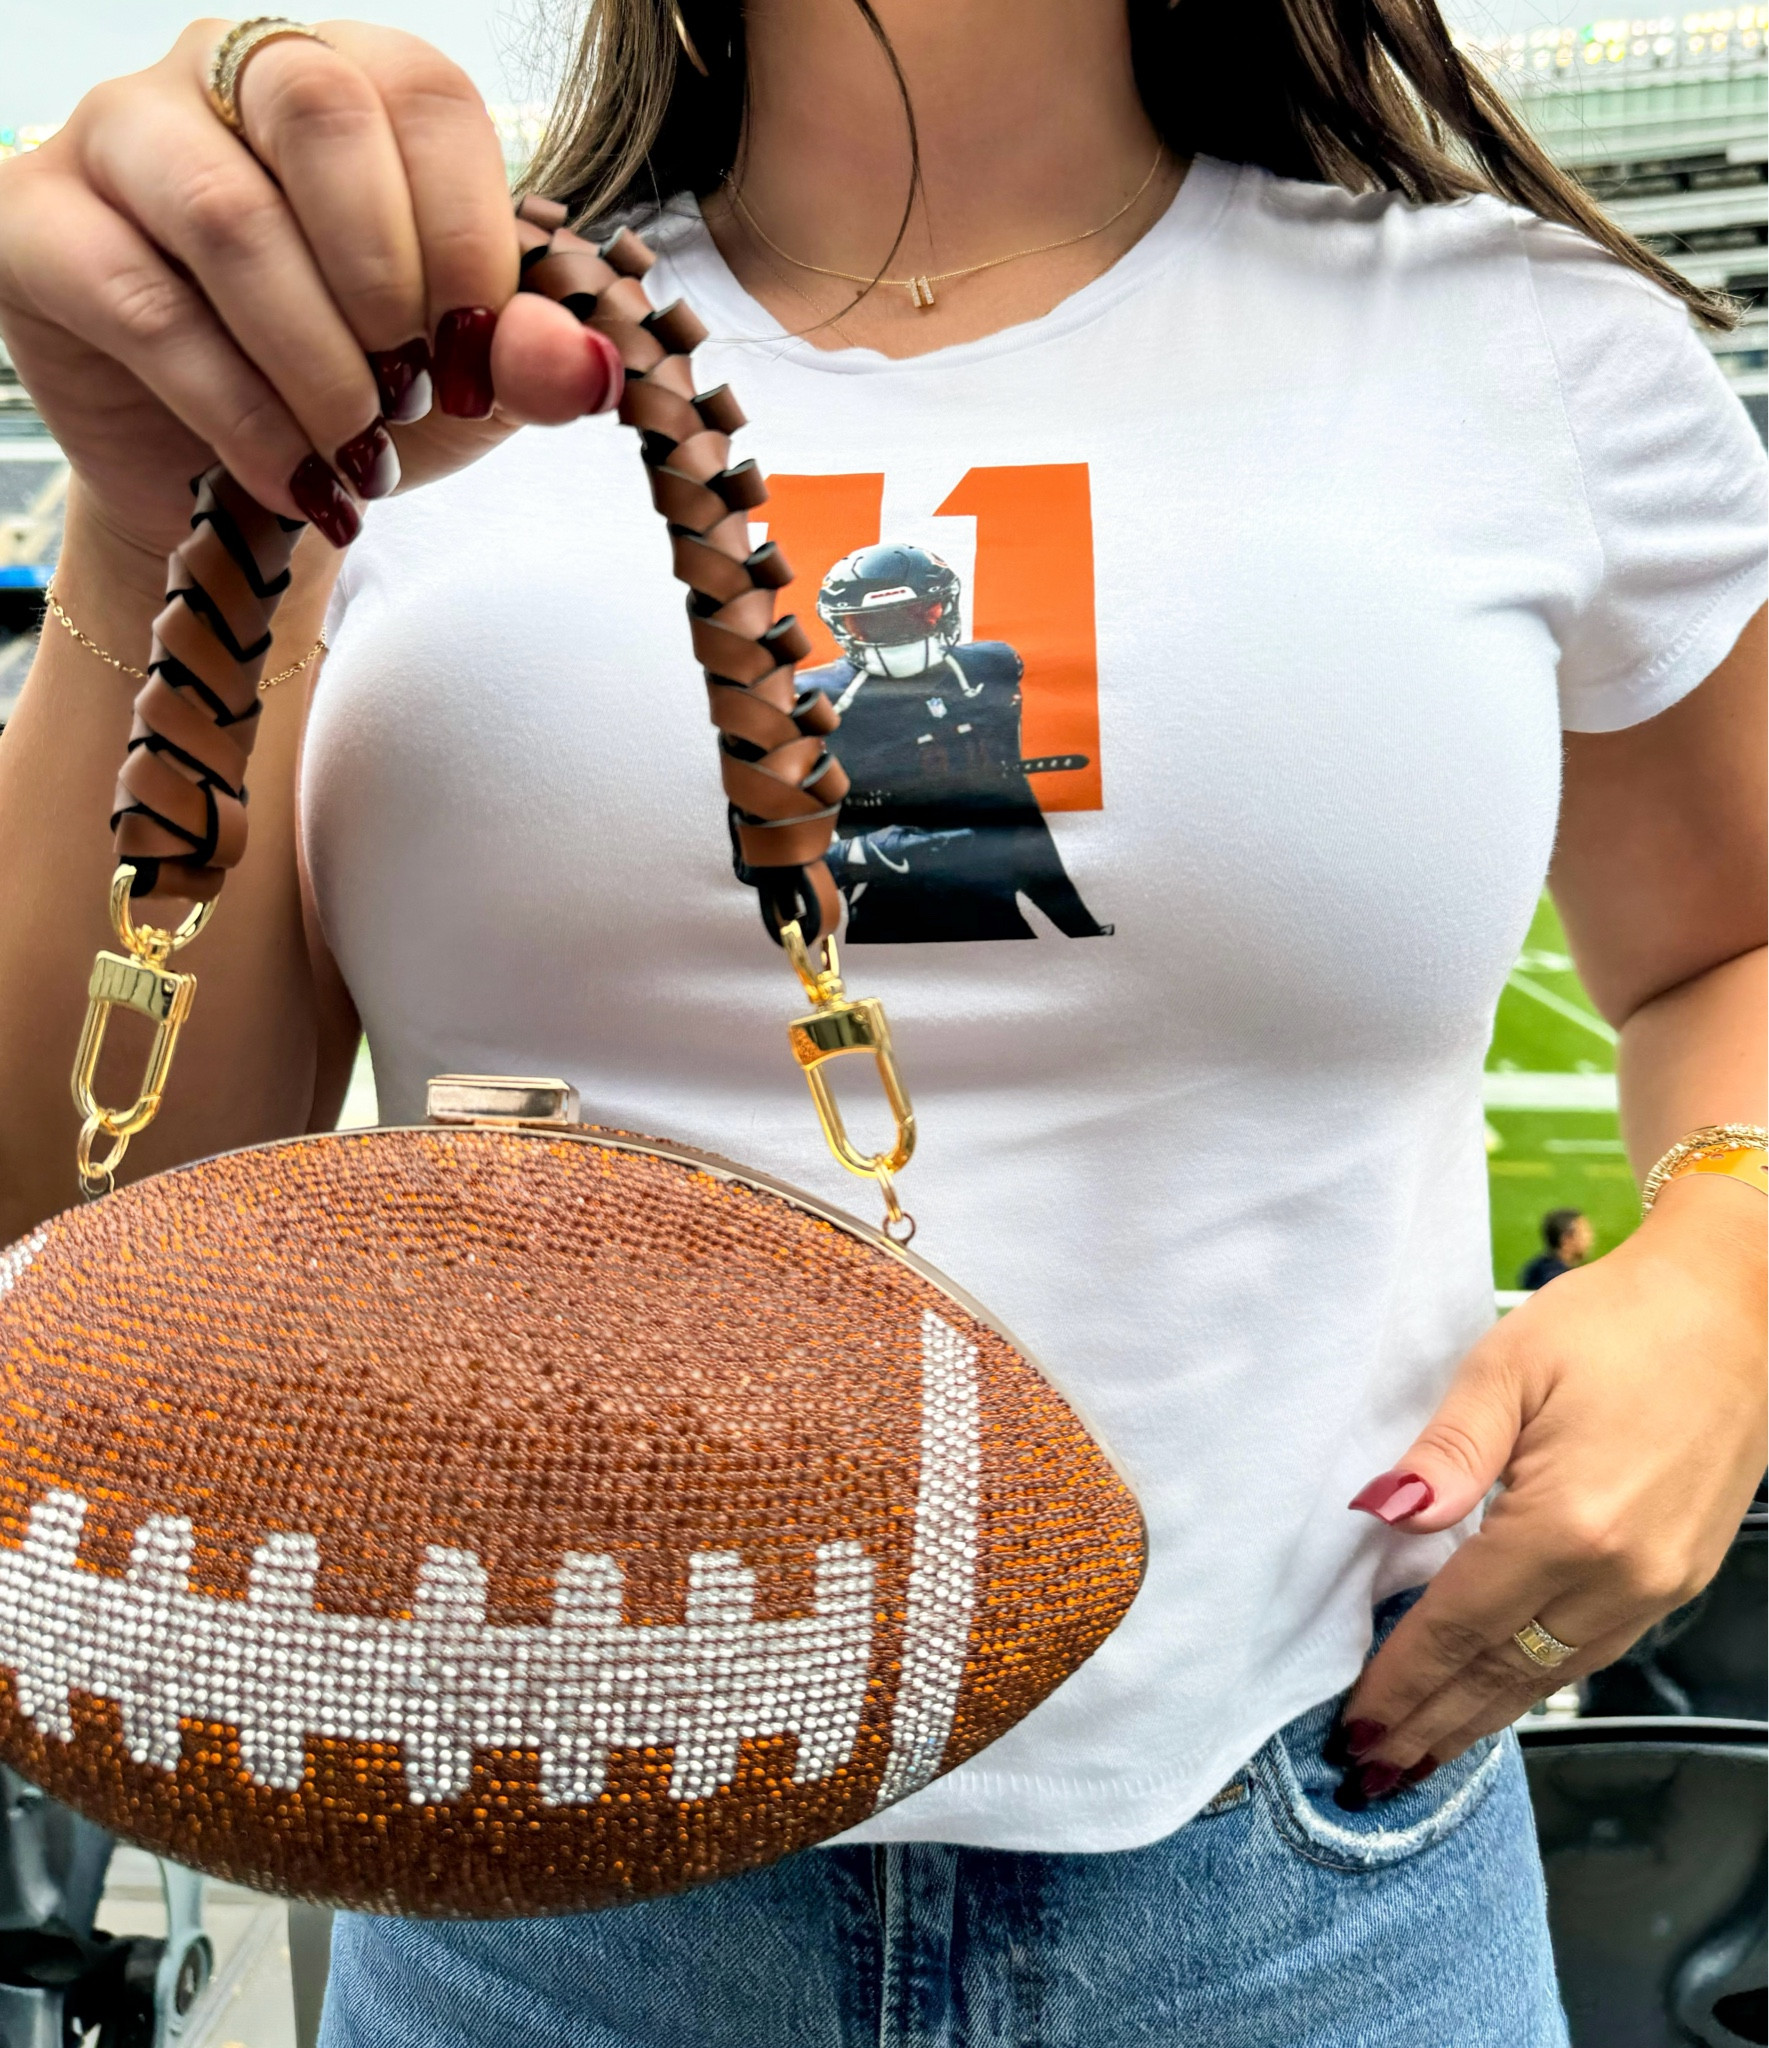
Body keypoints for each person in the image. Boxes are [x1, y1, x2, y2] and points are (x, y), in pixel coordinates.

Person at [0, 4, 1763, 2043]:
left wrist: (1721, 1263)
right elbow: (103, 1212)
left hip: (1308, 1874)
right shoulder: (390, 342)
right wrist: (156, 525)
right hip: (525, 1869)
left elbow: (1720, 946)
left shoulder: (1521, 347)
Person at [814, 542, 1114, 941]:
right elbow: (760, 864)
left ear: (943, 607)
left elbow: (1018, 820)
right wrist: (868, 853)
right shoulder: (812, 700)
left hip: (995, 913)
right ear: (844, 623)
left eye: (917, 613)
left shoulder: (989, 669)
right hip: (889, 928)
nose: (900, 632)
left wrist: (1079, 927)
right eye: (876, 622)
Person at [1519, 1208, 1595, 1291]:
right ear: (1566, 1240)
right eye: (1584, 1232)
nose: (1590, 1237)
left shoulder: (1537, 1268)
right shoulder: (1559, 1281)